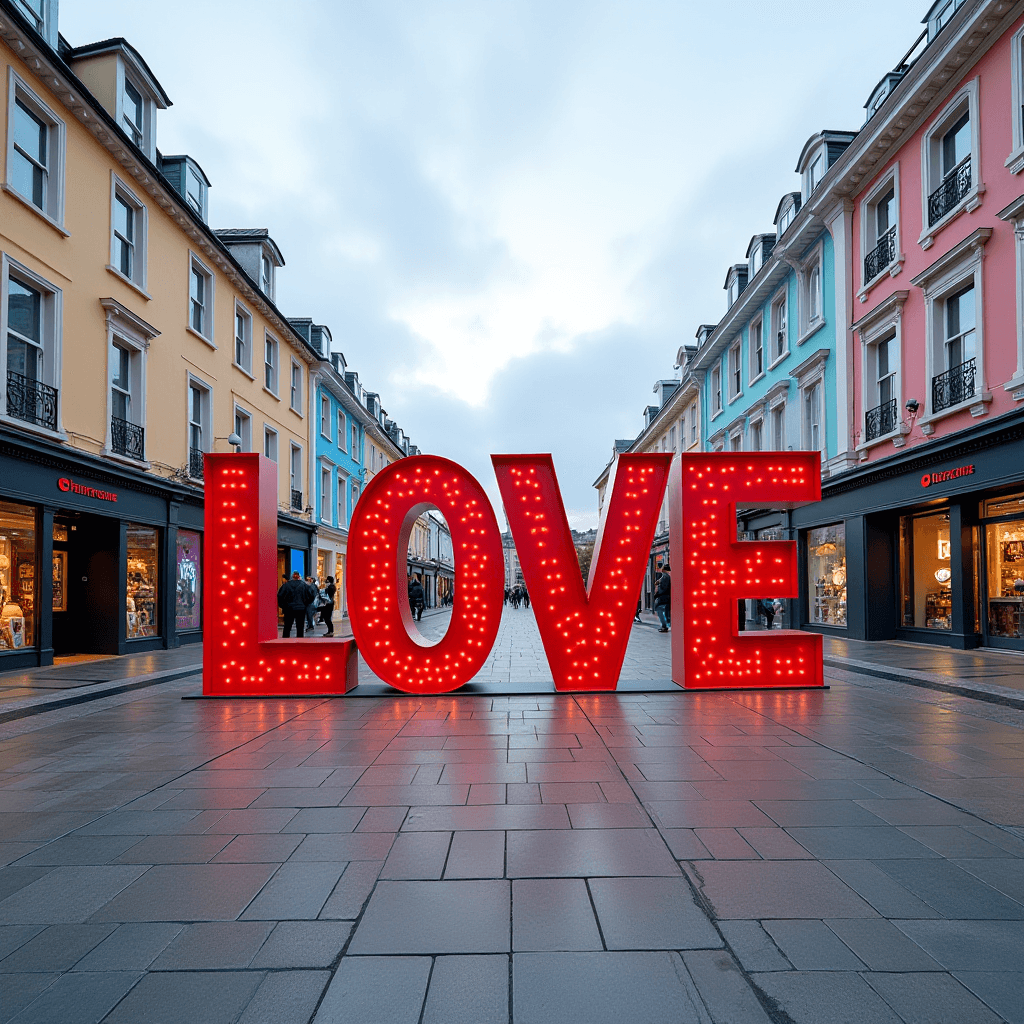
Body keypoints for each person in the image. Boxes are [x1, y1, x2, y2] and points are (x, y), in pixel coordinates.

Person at [278, 571, 315, 638]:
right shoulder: (304, 585)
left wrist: (283, 606)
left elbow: (280, 596)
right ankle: (300, 642)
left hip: (289, 608)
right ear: (299, 577)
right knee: (300, 627)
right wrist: (306, 604)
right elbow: (312, 595)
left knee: (287, 627)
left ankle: (285, 642)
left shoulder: (286, 585)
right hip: (301, 608)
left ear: (292, 577)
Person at [653, 563, 671, 633]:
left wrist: (657, 594)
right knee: (663, 611)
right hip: (665, 596)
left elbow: (663, 588)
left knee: (659, 610)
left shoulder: (665, 577)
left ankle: (664, 626)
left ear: (663, 569)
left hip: (663, 597)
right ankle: (665, 625)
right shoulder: (666, 576)